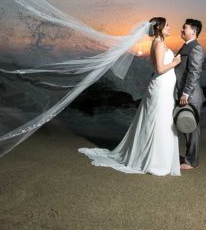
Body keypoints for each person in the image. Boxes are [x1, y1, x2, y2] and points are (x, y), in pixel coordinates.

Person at [78, 17, 182, 175]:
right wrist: (175, 62)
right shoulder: (159, 44)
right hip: (160, 88)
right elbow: (160, 69)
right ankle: (155, 163)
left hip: (164, 88)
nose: (169, 27)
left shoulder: (157, 43)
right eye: (167, 25)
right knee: (159, 121)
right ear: (159, 28)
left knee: (160, 120)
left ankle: (158, 159)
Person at [174, 18, 205, 170]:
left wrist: (185, 93)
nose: (181, 30)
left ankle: (191, 162)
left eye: (184, 28)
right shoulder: (186, 47)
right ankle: (187, 157)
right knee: (185, 127)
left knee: (192, 130)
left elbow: (194, 73)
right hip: (183, 94)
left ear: (193, 31)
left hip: (191, 96)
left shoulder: (196, 48)